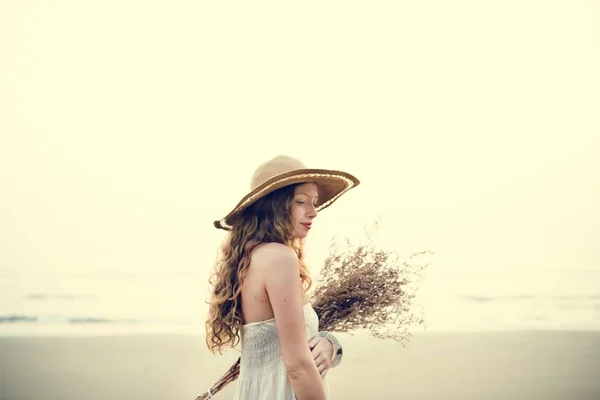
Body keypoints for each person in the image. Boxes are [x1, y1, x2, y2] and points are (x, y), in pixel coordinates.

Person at [205, 155, 360, 400]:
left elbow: (275, 345)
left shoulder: (252, 258)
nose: (313, 212)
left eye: (314, 202)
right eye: (301, 202)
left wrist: (330, 343)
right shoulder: (280, 258)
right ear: (275, 205)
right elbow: (297, 366)